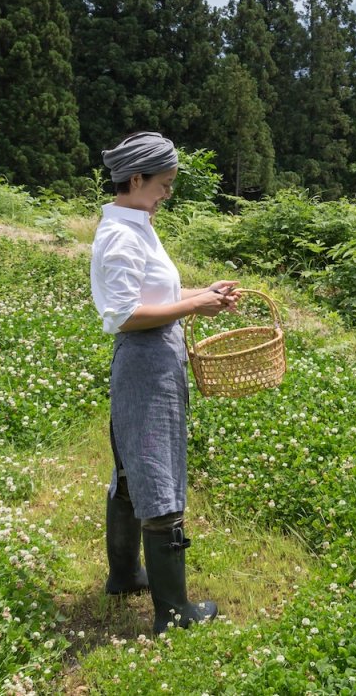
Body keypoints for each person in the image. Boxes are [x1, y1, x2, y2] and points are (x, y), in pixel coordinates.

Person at [89, 131, 238, 633]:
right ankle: (174, 614)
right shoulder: (121, 237)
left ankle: (127, 574)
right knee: (157, 475)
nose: (168, 194)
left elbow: (156, 292)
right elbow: (123, 314)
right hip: (145, 365)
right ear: (136, 180)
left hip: (155, 359)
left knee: (133, 473)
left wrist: (201, 291)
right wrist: (194, 306)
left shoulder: (138, 226)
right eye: (164, 184)